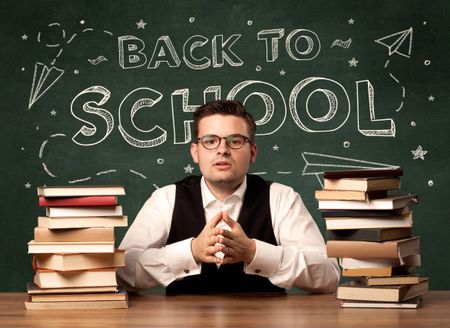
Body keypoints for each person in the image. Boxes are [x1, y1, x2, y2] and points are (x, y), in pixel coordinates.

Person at [116, 100, 340, 295]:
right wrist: (191, 252)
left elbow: (329, 276)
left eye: (235, 141)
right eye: (210, 141)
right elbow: (121, 272)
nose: (222, 150)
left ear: (252, 152)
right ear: (196, 152)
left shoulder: (282, 198)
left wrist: (255, 252)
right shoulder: (165, 199)